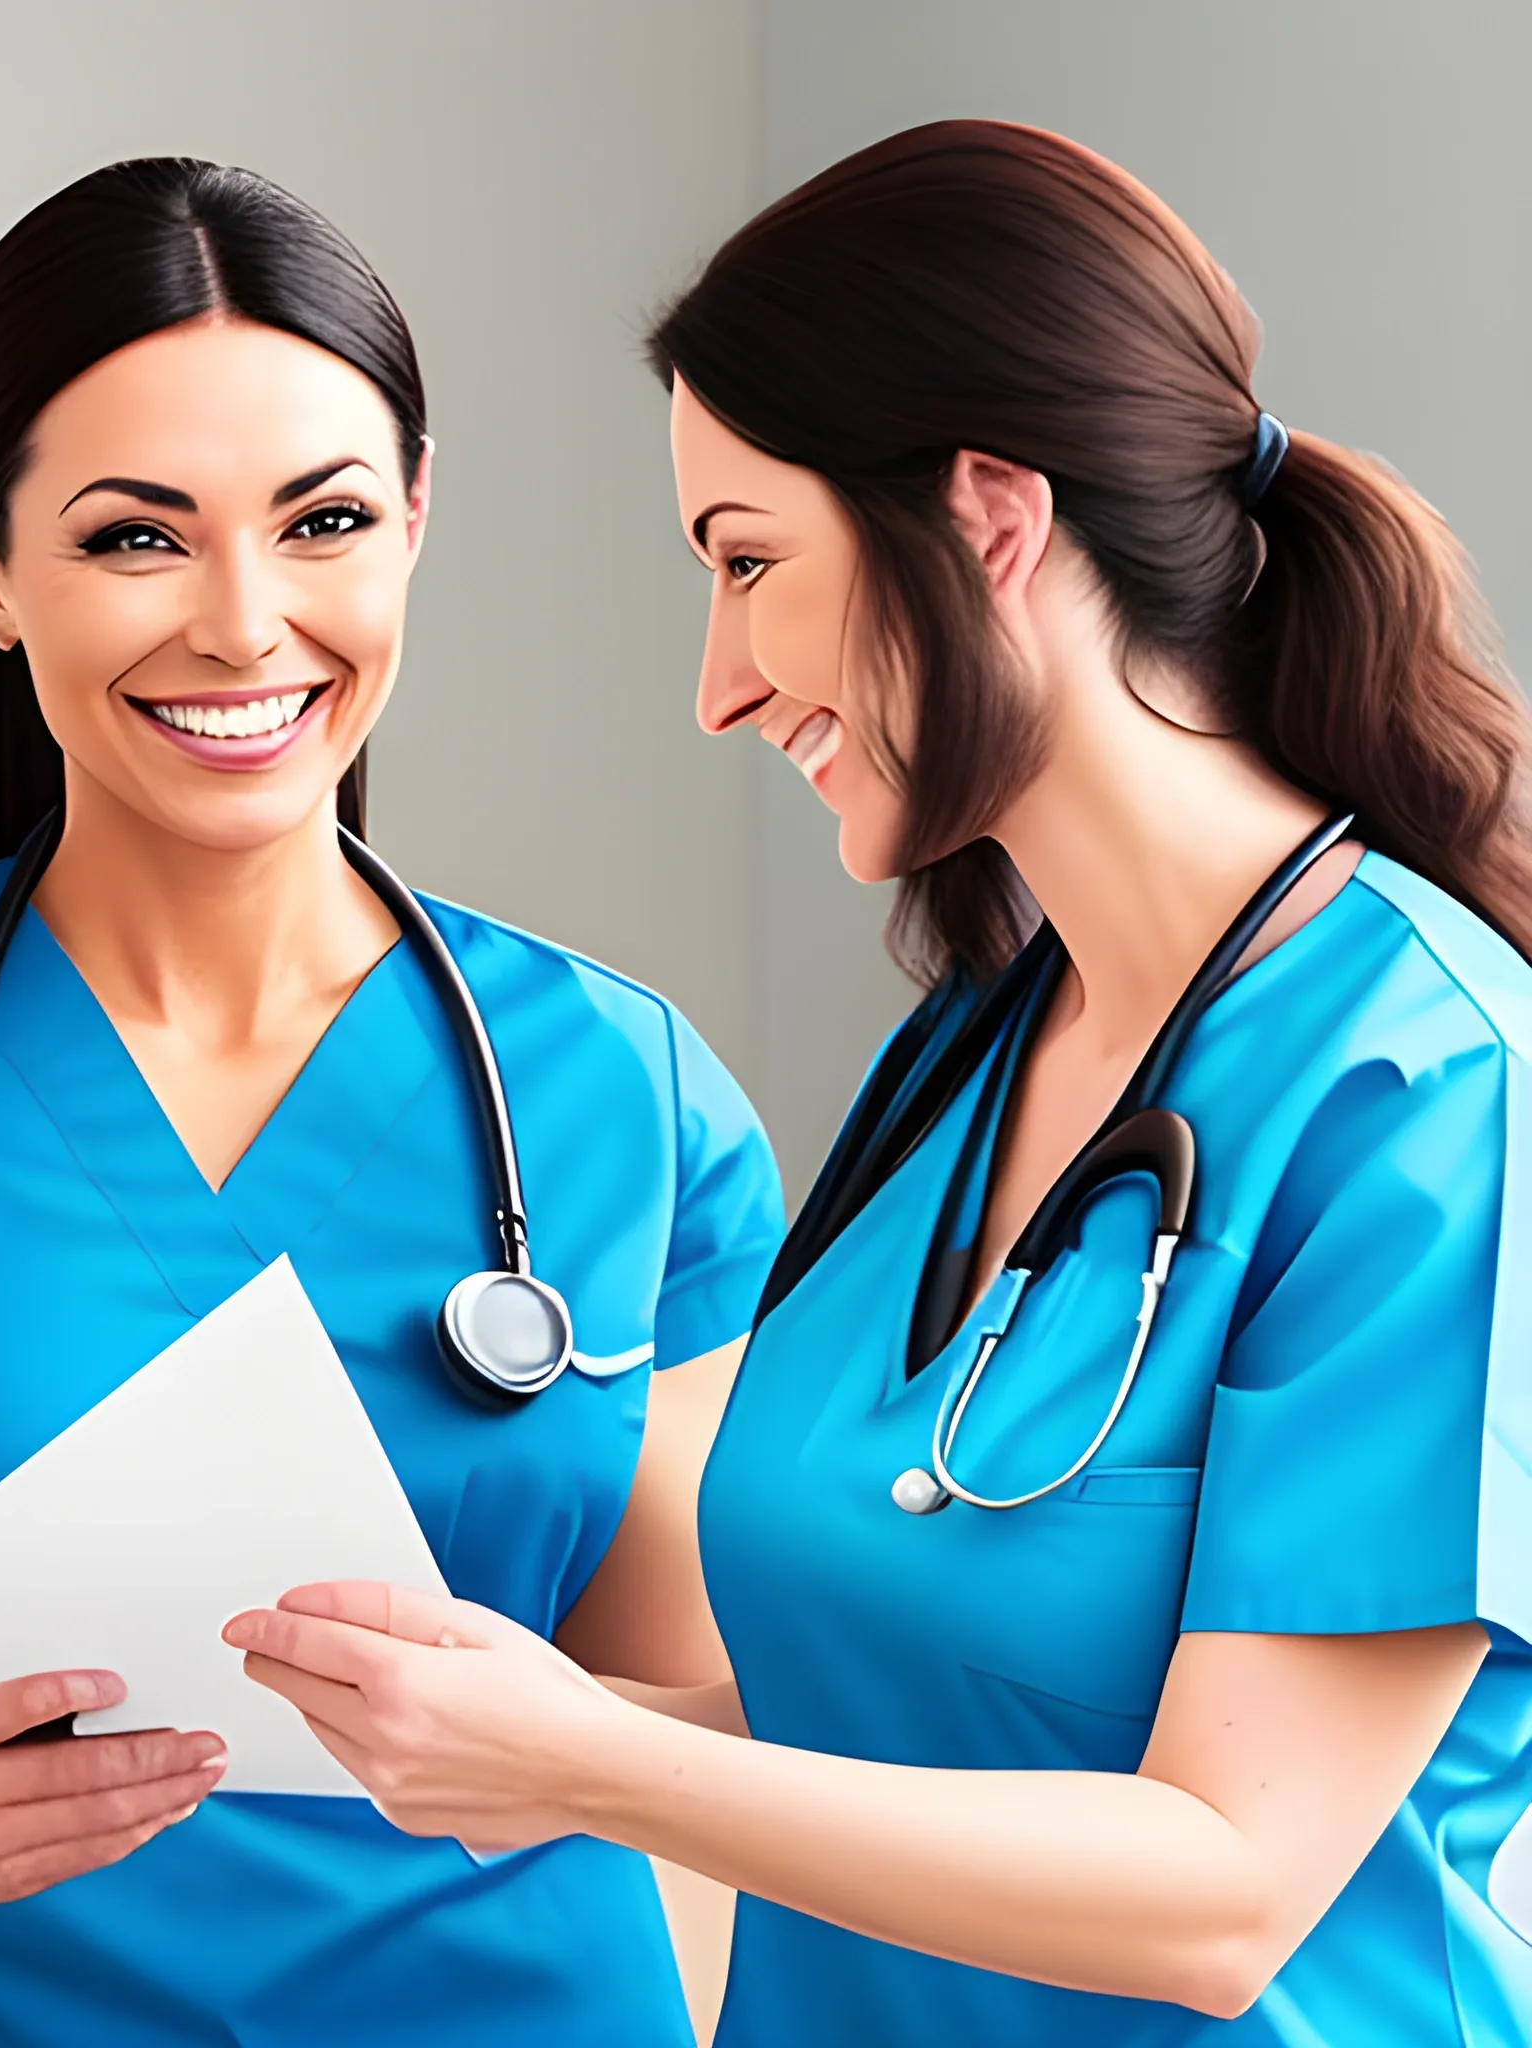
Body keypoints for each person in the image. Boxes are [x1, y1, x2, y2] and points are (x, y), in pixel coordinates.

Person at [226, 121, 1532, 2045]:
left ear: (994, 517)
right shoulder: (968, 1057)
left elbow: (1228, 1891)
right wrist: (513, 1716)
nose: (721, 682)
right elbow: (904, 1701)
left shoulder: (1426, 1084)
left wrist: (602, 1772)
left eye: (751, 563)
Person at [0, 159, 784, 2047]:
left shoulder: (616, 1090)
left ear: (417, 524)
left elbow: (711, 1738)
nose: (247, 626)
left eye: (324, 520)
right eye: (136, 539)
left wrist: (561, 1735)